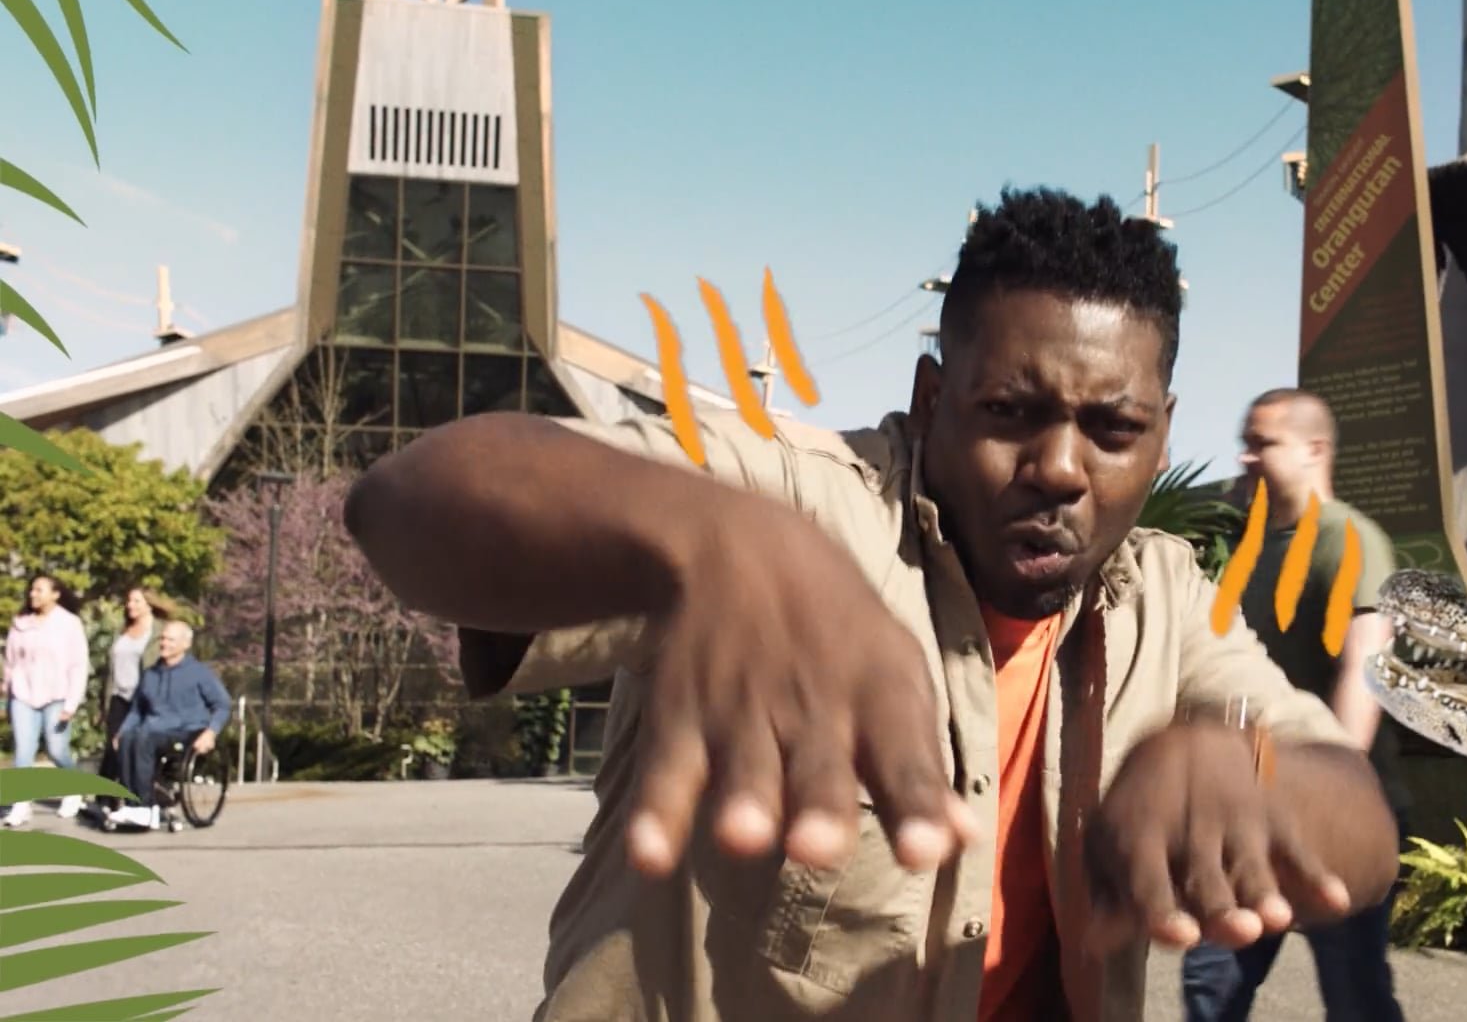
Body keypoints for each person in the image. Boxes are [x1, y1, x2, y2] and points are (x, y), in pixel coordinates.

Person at [345, 186, 1403, 1022]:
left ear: (1161, 437)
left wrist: (1257, 781)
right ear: (933, 400)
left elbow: (1356, 820)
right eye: (1009, 411)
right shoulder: (791, 503)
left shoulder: (1160, 596)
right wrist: (703, 534)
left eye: (1112, 430)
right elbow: (408, 502)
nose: (1059, 467)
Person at [1181, 389, 1408, 1022]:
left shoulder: (1348, 538)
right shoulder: (1255, 549)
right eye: (1246, 443)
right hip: (1252, 809)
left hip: (1337, 814)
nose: (1246, 456)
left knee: (1354, 994)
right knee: (1211, 980)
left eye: (1263, 443)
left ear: (1314, 450)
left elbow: (1365, 667)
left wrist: (1328, 787)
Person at [104, 620, 232, 831]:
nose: (164, 643)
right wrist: (123, 731)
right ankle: (132, 803)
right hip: (153, 728)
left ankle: (143, 806)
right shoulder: (150, 674)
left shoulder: (200, 673)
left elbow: (222, 705)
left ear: (185, 644)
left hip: (187, 730)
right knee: (128, 738)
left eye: (171, 640)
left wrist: (211, 732)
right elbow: (137, 709)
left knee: (143, 738)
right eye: (163, 639)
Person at [3, 573, 91, 827]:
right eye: (32, 589)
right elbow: (10, 660)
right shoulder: (21, 622)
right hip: (23, 695)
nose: (33, 594)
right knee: (24, 750)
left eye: (39, 590)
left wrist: (71, 703)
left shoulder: (69, 623)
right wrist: (7, 690)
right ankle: (21, 804)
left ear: (55, 594)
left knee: (56, 749)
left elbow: (78, 665)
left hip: (56, 695)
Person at [95, 587, 165, 812]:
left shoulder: (159, 632)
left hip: (144, 699)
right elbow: (109, 669)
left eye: (136, 601)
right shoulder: (122, 631)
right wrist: (103, 703)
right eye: (129, 601)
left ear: (149, 604)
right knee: (113, 748)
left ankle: (142, 796)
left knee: (137, 748)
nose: (130, 605)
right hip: (119, 696)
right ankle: (105, 799)